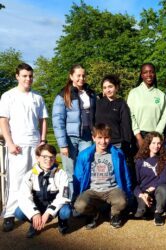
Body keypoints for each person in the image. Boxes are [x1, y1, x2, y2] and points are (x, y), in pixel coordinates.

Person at [0, 63, 48, 232]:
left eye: (30, 76)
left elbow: (43, 120)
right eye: (25, 76)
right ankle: (9, 214)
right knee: (16, 180)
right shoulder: (8, 96)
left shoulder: (38, 98)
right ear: (17, 77)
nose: (28, 79)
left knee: (35, 179)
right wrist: (10, 142)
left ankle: (32, 211)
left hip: (35, 145)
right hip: (17, 146)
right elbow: (3, 121)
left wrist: (42, 140)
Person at [73, 124, 132, 229]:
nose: (103, 141)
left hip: (112, 189)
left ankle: (114, 214)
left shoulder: (117, 154)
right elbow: (78, 176)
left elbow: (125, 175)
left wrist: (127, 192)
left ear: (110, 138)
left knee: (122, 201)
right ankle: (93, 214)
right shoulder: (84, 155)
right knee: (79, 206)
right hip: (92, 190)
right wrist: (78, 195)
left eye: (106, 138)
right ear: (93, 138)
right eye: (99, 138)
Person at [52, 64, 96, 196]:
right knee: (69, 172)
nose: (81, 78)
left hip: (87, 137)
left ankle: (83, 200)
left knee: (85, 169)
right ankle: (70, 201)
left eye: (83, 75)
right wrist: (62, 144)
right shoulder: (63, 95)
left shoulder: (91, 93)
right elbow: (57, 120)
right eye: (78, 75)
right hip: (70, 139)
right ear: (71, 76)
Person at [15, 144, 71, 238]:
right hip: (38, 206)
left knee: (66, 212)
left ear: (55, 158)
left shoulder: (61, 174)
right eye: (44, 156)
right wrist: (34, 213)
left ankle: (62, 222)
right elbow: (24, 196)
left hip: (54, 206)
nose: (48, 160)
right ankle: (35, 223)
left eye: (51, 157)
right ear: (38, 157)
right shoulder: (30, 174)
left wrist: (49, 212)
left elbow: (64, 196)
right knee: (18, 212)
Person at [126, 63, 166, 148]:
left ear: (155, 74)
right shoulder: (134, 93)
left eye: (151, 72)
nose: (148, 75)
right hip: (137, 136)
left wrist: (156, 136)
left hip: (155, 137)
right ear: (141, 75)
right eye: (145, 72)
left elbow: (164, 117)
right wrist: (138, 137)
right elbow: (130, 115)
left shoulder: (161, 95)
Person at [133, 132, 166, 226]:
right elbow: (135, 182)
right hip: (142, 192)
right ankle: (148, 208)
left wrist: (149, 191)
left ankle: (158, 212)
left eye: (158, 143)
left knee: (164, 188)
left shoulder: (163, 159)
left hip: (155, 190)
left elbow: (163, 179)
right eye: (153, 143)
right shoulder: (139, 160)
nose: (156, 146)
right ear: (148, 143)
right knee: (140, 212)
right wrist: (142, 195)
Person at [95, 74, 133, 157]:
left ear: (116, 87)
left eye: (110, 87)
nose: (107, 90)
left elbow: (126, 126)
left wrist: (126, 144)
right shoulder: (97, 103)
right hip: (100, 144)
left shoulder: (121, 104)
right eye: (104, 88)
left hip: (116, 144)